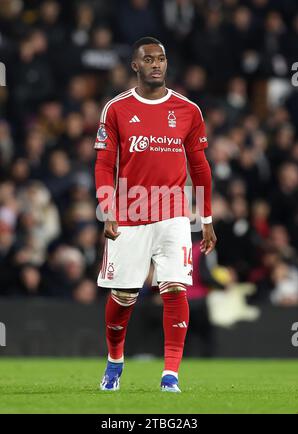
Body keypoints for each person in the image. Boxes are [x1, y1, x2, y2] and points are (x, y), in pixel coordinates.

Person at [94, 37, 217, 392]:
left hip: (175, 213)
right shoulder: (115, 109)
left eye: (161, 58)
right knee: (124, 297)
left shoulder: (188, 110)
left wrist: (205, 218)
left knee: (175, 288)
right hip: (129, 212)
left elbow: (200, 166)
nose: (156, 64)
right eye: (148, 59)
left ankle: (170, 375)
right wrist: (108, 207)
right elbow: (104, 164)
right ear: (135, 65)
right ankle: (115, 361)